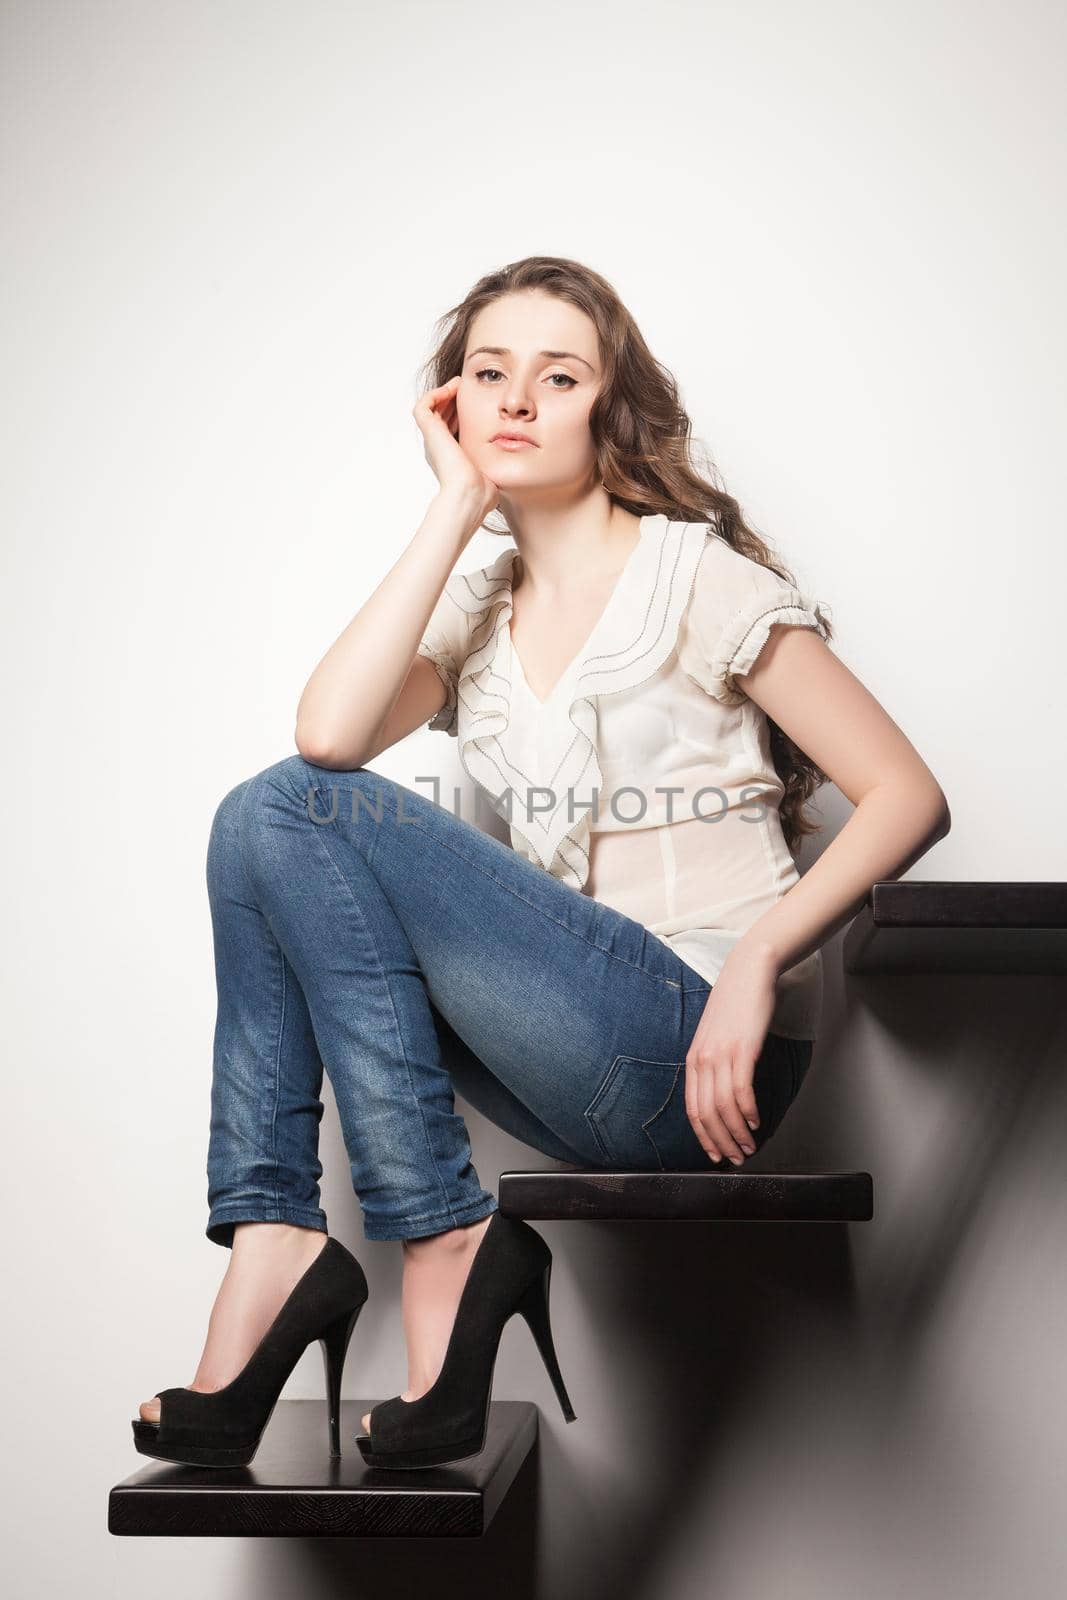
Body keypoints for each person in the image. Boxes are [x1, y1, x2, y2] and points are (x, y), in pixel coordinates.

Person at [133, 255, 950, 1470]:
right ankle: (279, 1235)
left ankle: (414, 1246)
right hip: (577, 1052)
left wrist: (756, 964)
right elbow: (328, 732)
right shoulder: (478, 607)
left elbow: (906, 794)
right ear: (450, 408)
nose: (515, 399)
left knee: (295, 811)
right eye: (486, 374)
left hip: (704, 1040)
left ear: (604, 407)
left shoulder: (695, 576)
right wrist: (453, 506)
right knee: (264, 822)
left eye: (555, 376)